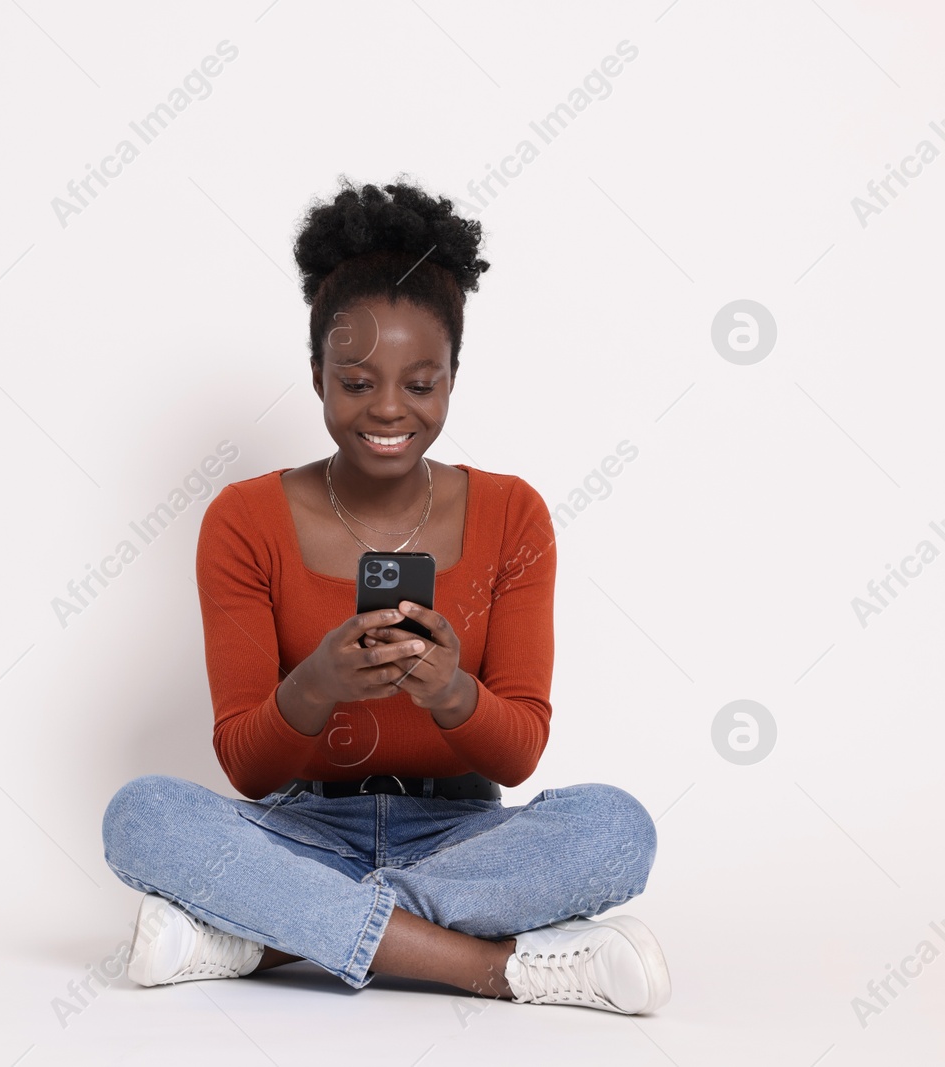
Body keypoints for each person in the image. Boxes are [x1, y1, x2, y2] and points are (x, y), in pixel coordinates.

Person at [99, 177, 670, 1014]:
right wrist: (316, 684)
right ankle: (494, 967)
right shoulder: (245, 518)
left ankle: (261, 937)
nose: (390, 410)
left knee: (618, 830)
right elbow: (246, 767)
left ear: (452, 378)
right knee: (141, 815)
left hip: (461, 836)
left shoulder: (514, 513)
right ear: (318, 373)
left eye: (421, 382)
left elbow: (518, 754)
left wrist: (449, 692)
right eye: (358, 383)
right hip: (300, 830)